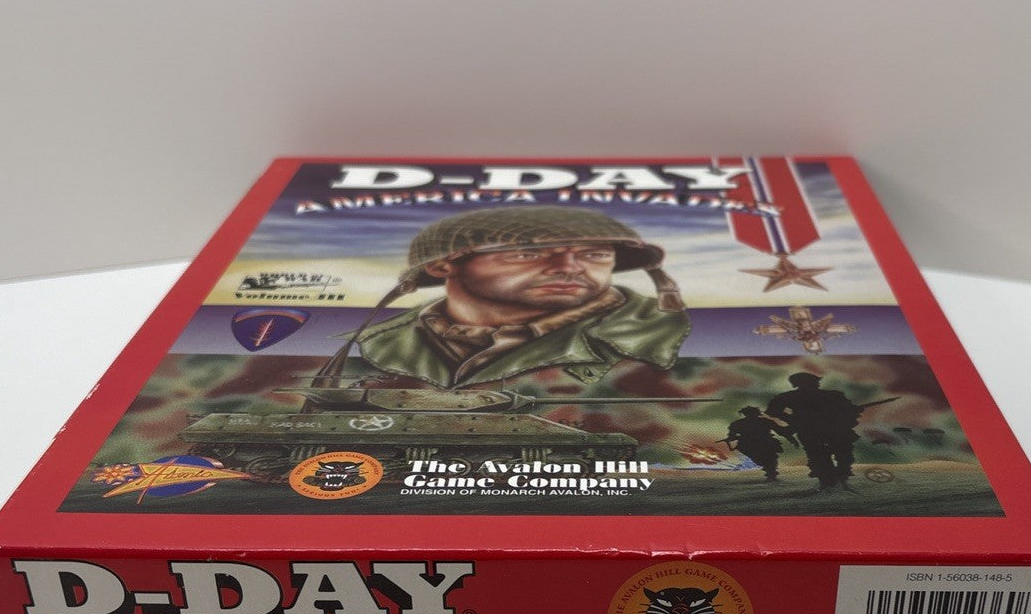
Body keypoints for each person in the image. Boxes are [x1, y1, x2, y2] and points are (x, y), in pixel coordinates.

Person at [354, 207, 691, 388]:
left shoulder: (659, 336)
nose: (569, 268)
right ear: (443, 265)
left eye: (595, 254)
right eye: (527, 254)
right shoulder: (376, 343)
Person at [765, 373, 863, 489]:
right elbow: (772, 411)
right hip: (812, 430)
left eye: (814, 381)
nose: (816, 383)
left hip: (832, 429)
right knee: (820, 456)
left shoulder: (833, 395)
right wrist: (794, 420)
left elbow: (847, 410)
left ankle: (839, 478)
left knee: (843, 455)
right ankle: (829, 481)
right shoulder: (790, 396)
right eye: (812, 381)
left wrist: (852, 410)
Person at [723, 407, 792, 481]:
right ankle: (770, 473)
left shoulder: (764, 421)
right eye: (750, 413)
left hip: (765, 443)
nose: (752, 415)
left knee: (770, 458)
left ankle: (771, 474)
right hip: (750, 444)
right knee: (762, 459)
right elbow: (732, 434)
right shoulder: (738, 424)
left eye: (753, 413)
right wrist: (732, 437)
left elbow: (779, 430)